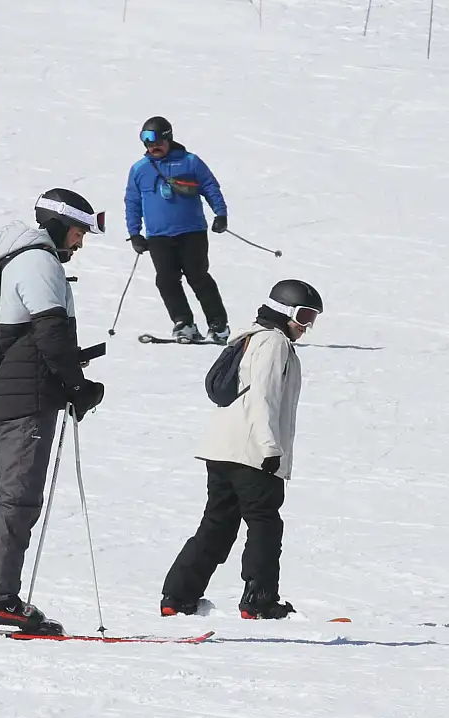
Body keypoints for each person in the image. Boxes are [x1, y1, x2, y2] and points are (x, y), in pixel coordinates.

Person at [0, 189, 107, 633]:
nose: (80, 243)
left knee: (19, 498)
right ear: (61, 224)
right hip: (27, 398)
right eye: (80, 232)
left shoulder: (21, 258)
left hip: (21, 392)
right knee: (19, 498)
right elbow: (50, 335)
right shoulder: (38, 260)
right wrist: (78, 386)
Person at [160, 279, 324, 619]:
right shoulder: (273, 342)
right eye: (304, 315)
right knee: (264, 523)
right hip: (252, 452)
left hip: (222, 449)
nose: (306, 326)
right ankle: (259, 599)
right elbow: (263, 397)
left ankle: (178, 597)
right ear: (283, 310)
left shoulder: (249, 339)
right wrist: (269, 447)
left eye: (313, 318)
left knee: (217, 524)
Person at [124, 116, 231, 345]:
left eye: (156, 142)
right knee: (166, 279)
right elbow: (132, 202)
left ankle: (218, 324)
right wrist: (135, 233)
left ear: (168, 138)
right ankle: (184, 322)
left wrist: (220, 214)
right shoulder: (139, 169)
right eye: (147, 143)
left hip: (192, 232)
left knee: (198, 277)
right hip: (158, 236)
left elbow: (210, 186)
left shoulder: (190, 162)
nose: (152, 147)